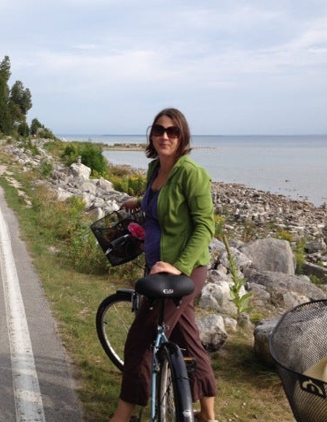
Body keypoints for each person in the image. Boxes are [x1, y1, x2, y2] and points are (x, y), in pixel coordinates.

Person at [109, 108, 218, 422]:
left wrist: (178, 266)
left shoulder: (191, 173)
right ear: (151, 135)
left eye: (172, 131)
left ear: (182, 136)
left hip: (185, 270)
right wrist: (138, 201)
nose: (165, 136)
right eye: (159, 130)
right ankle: (208, 415)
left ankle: (123, 414)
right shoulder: (155, 169)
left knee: (139, 340)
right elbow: (155, 198)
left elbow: (203, 227)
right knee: (188, 338)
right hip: (160, 266)